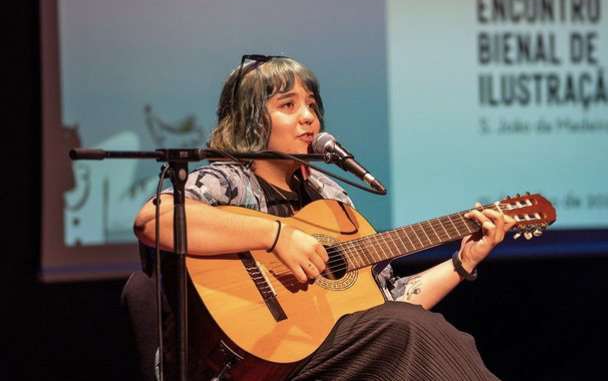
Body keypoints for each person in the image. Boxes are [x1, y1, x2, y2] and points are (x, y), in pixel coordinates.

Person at [133, 56, 515, 380]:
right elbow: (154, 220)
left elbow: (389, 301)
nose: (309, 119)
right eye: (288, 106)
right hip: (252, 360)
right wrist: (276, 235)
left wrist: (462, 262)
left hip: (326, 357)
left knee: (416, 330)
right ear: (250, 119)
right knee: (407, 328)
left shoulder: (328, 196)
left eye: (312, 106)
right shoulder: (229, 179)